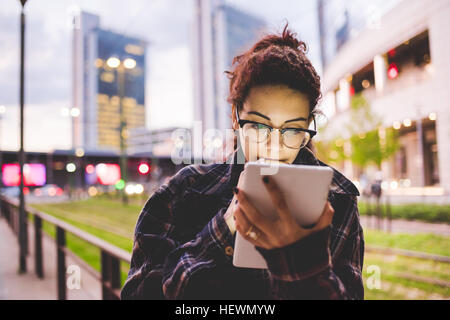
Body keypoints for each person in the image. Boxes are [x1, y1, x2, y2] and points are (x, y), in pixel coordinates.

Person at [121, 24, 364, 300]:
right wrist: (224, 230)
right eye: (260, 126)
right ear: (236, 117)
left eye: (293, 129)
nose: (274, 146)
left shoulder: (339, 200)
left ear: (309, 125)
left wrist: (308, 270)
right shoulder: (182, 192)